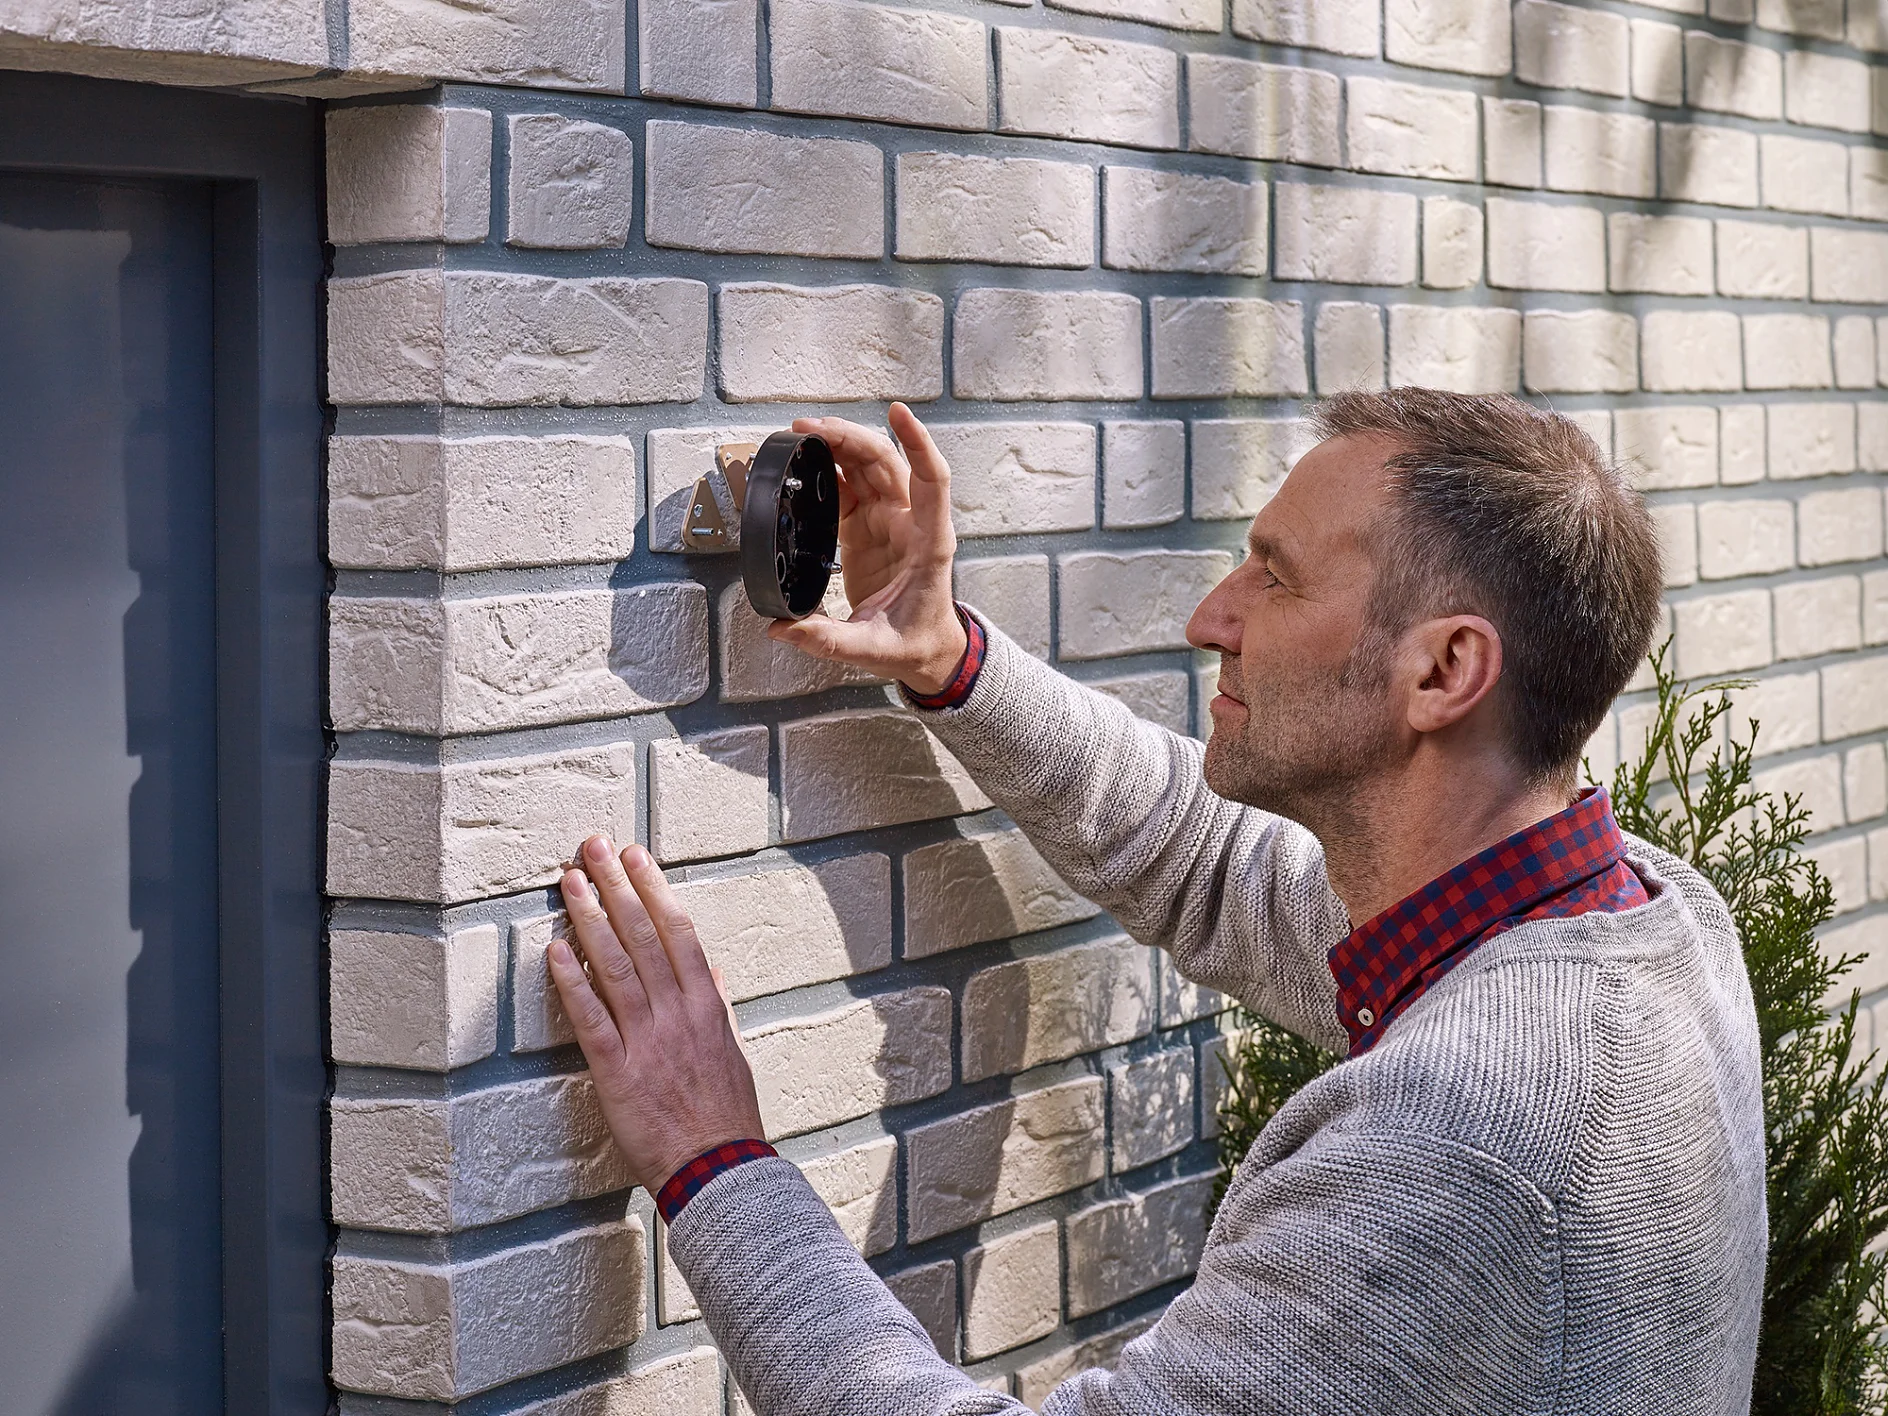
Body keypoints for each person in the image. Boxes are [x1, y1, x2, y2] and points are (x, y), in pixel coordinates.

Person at [545, 389, 1767, 1415]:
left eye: (1274, 580)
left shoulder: (1461, 1147)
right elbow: (1206, 861)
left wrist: (714, 1162)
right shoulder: (1647, 926)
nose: (1209, 619)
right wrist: (949, 660)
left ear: (1443, 670)